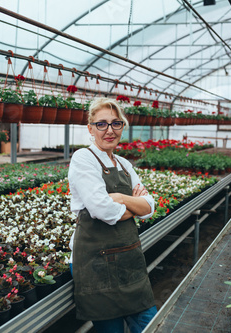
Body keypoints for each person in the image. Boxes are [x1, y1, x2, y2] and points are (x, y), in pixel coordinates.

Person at [68, 97, 157, 333]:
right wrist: (134, 207)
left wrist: (121, 199)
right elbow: (101, 209)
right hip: (96, 266)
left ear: (122, 127)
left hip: (129, 261)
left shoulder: (125, 164)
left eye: (116, 123)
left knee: (151, 324)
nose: (109, 130)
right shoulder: (83, 158)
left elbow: (149, 206)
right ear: (90, 128)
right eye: (102, 124)